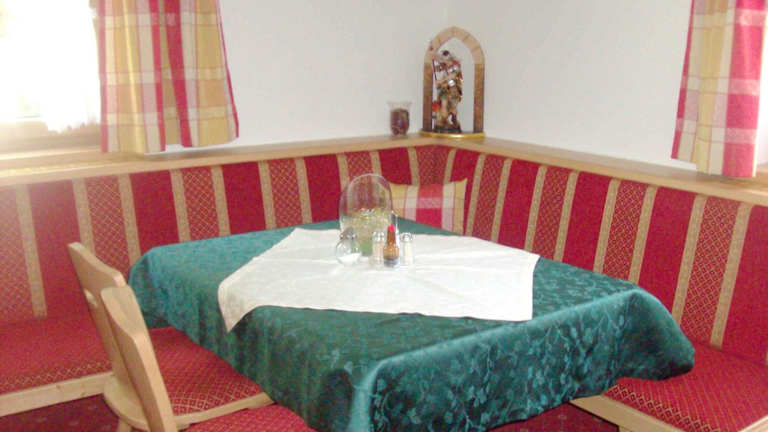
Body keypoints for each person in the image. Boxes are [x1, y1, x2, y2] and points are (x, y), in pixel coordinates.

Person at [432, 49, 463, 133]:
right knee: (444, 104)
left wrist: (441, 81)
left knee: (453, 107)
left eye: (445, 59)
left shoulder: (455, 66)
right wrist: (433, 56)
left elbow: (451, 76)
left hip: (453, 89)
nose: (444, 61)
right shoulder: (445, 65)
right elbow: (437, 65)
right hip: (445, 89)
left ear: (449, 59)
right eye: (443, 59)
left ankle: (454, 119)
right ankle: (444, 120)